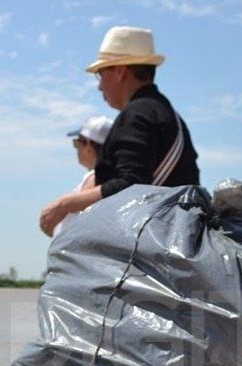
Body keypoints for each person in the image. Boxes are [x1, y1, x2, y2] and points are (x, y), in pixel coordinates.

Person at [39, 26, 199, 235]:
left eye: (100, 74)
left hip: (148, 248)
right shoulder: (164, 112)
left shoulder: (138, 113)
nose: (99, 86)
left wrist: (63, 205)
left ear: (120, 71)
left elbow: (131, 184)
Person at [54, 115, 113, 236]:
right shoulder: (106, 177)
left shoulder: (94, 178)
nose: (77, 148)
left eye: (77, 142)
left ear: (88, 145)